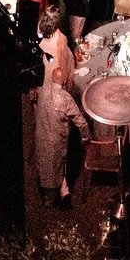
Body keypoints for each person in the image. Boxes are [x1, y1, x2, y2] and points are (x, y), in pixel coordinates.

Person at [34, 71, 89, 203]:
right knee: (57, 164)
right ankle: (53, 197)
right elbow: (80, 122)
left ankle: (61, 191)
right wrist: (86, 137)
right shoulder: (65, 98)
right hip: (56, 139)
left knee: (44, 163)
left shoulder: (42, 89)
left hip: (41, 134)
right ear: (64, 82)